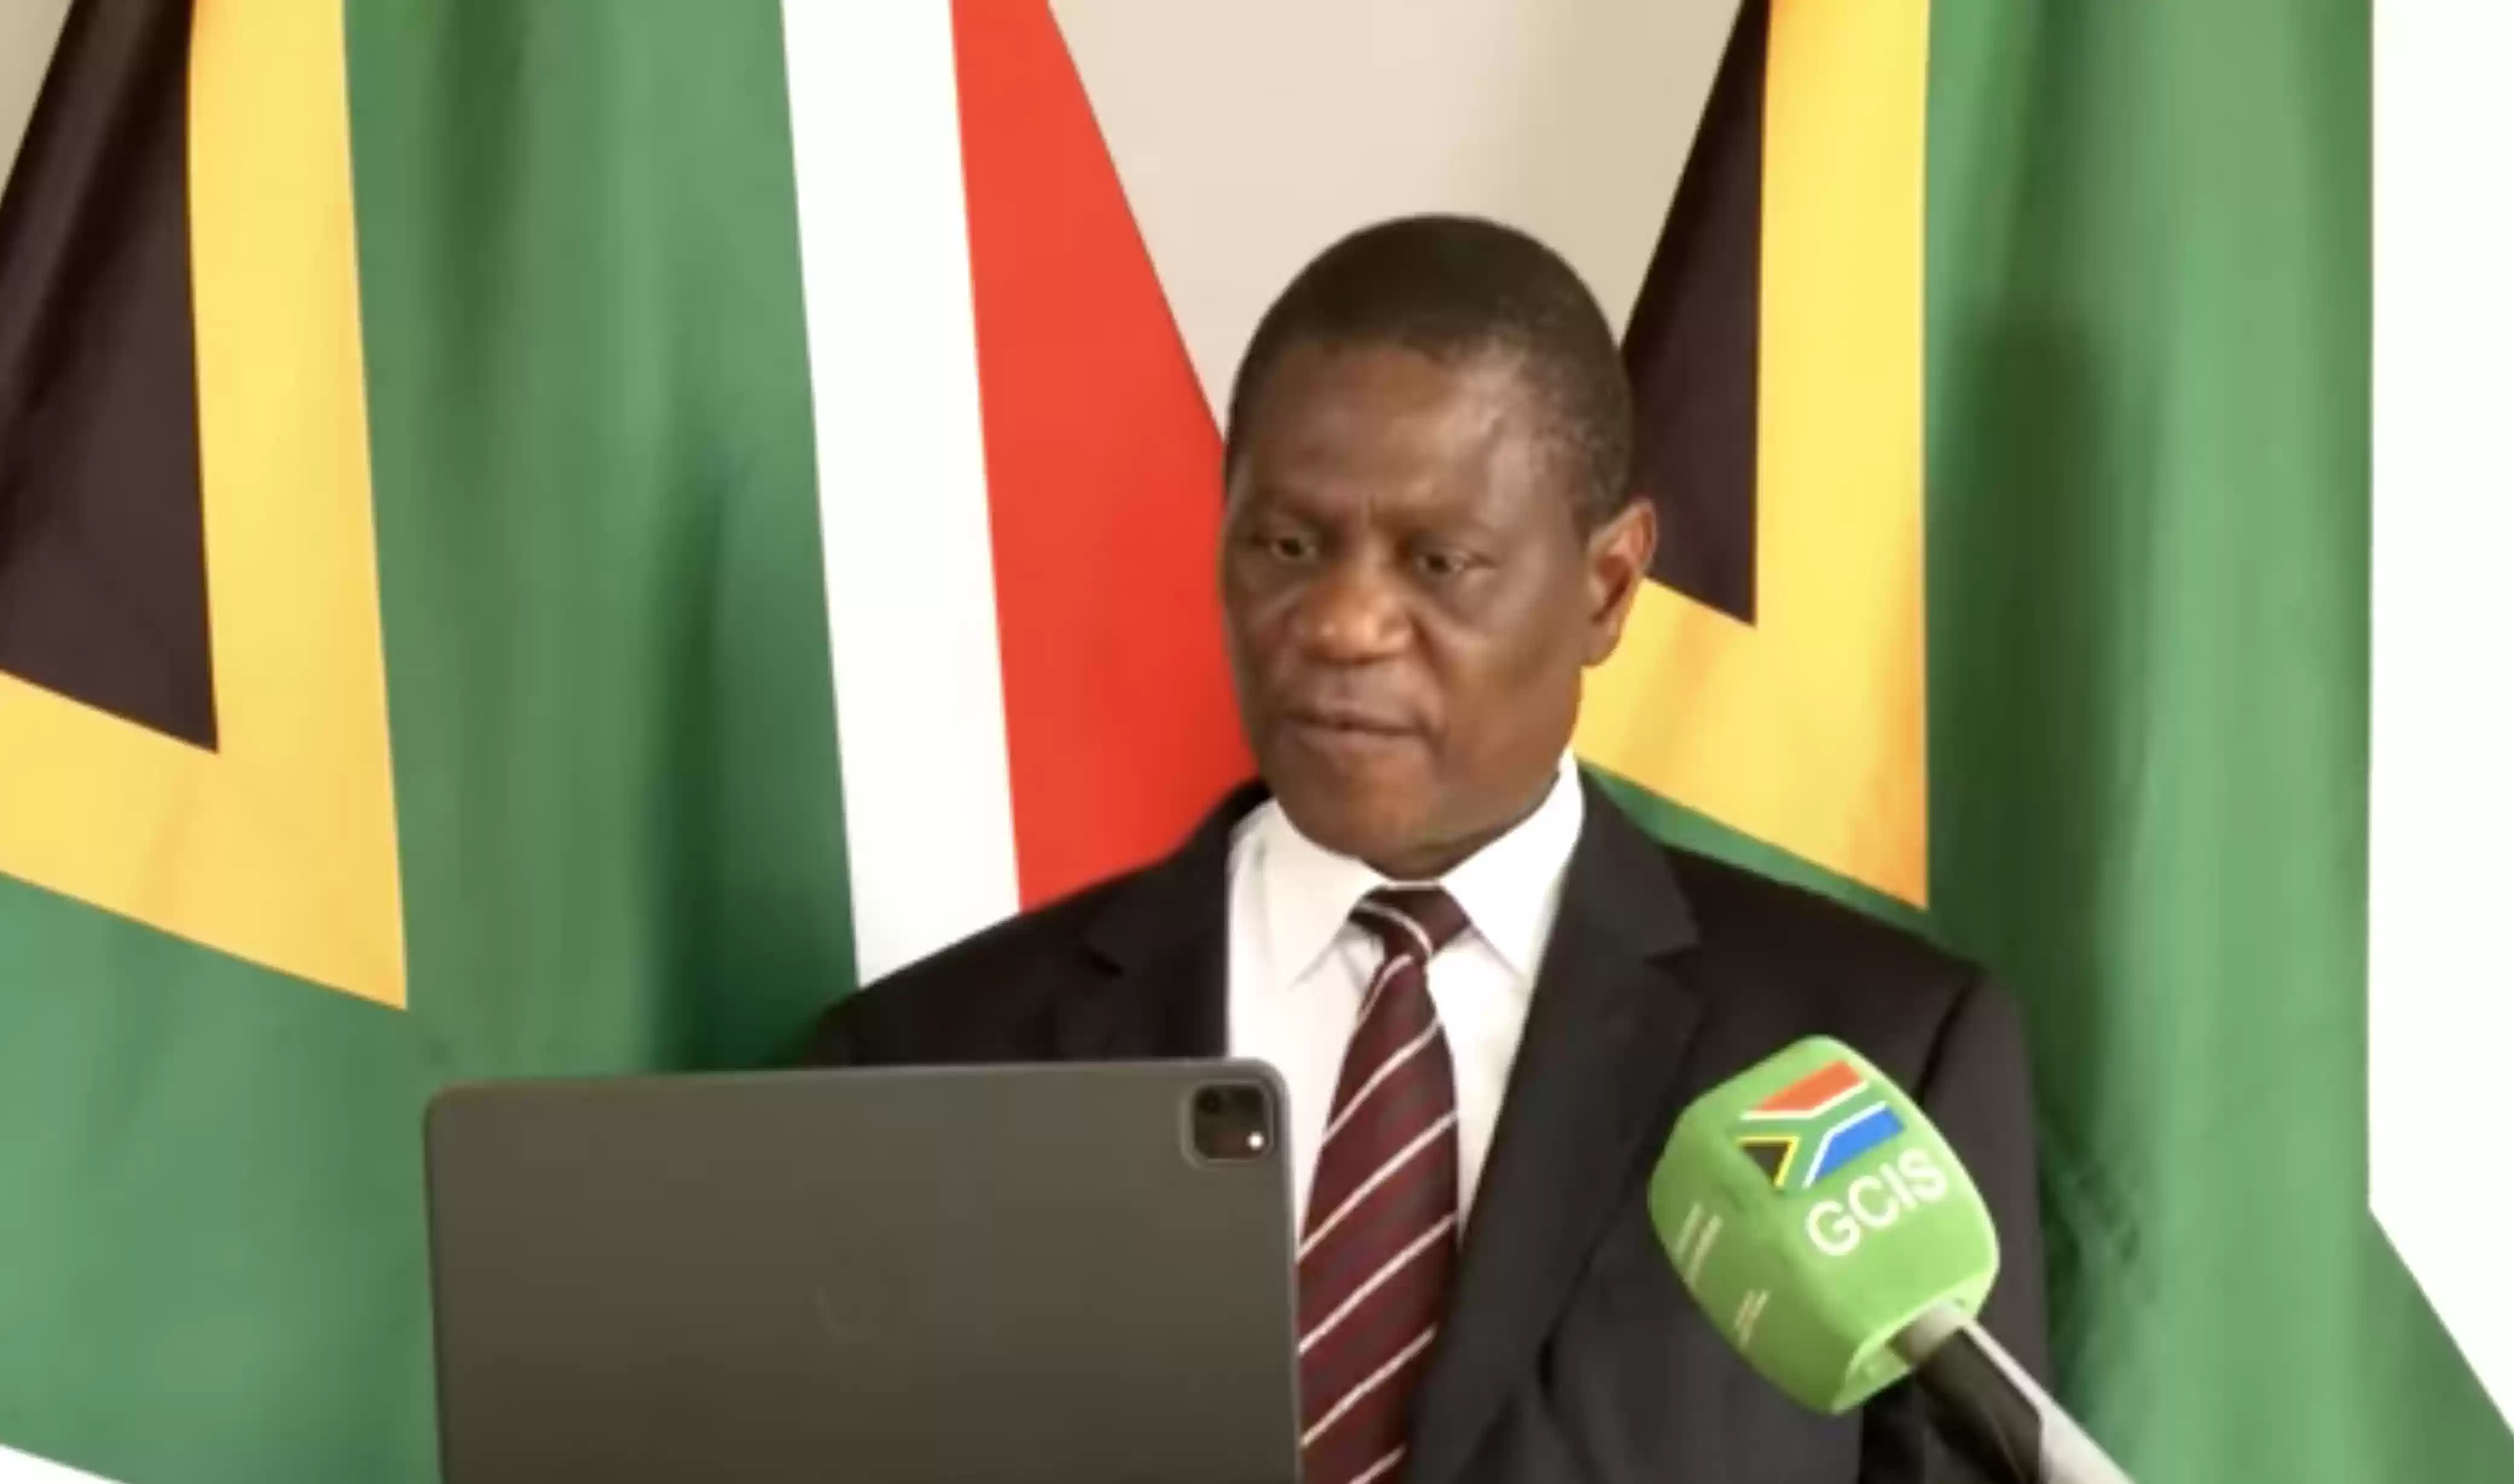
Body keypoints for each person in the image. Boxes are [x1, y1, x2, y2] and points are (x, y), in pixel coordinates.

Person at [805, 215, 2047, 1484]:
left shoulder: (1873, 1060)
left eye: (1439, 562)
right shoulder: (916, 1070)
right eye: (1288, 546)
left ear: (1609, 586)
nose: (1343, 624)